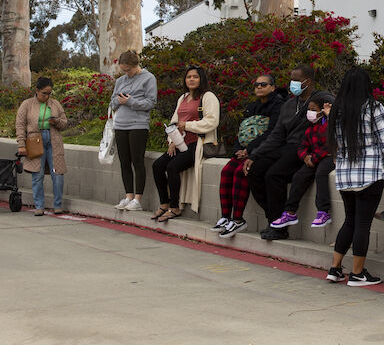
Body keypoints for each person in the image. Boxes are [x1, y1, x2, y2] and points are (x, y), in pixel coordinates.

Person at [324, 69, 384, 287]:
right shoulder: (374, 107)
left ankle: (335, 269)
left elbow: (335, 146)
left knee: (350, 220)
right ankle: (357, 274)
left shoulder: (337, 110)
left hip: (345, 176)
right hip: (370, 174)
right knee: (362, 224)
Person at [249, 64, 316, 240]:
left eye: (296, 80)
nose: (292, 83)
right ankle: (274, 217)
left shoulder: (318, 100)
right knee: (255, 170)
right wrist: (255, 154)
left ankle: (279, 227)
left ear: (307, 82)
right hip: (285, 145)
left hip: (303, 148)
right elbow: (277, 135)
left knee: (273, 175)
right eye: (291, 79)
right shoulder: (288, 105)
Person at [215, 74, 285, 237]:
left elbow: (272, 132)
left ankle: (238, 220)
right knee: (226, 172)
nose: (259, 87)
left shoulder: (278, 105)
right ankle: (226, 217)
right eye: (256, 85)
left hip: (263, 151)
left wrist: (250, 150)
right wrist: (239, 149)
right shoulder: (252, 106)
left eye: (263, 84)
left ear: (273, 87)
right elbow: (243, 130)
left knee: (241, 173)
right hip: (245, 150)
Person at [149, 66, 220, 224]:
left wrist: (187, 126)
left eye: (195, 77)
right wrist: (172, 141)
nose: (192, 79)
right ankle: (164, 204)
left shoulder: (208, 97)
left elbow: (212, 121)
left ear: (201, 79)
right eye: (189, 77)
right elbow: (174, 122)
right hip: (180, 143)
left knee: (172, 167)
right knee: (157, 166)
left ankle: (175, 208)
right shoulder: (183, 98)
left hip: (198, 144)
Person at [109, 50, 157, 213]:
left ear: (136, 65)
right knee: (124, 162)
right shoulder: (121, 80)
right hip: (120, 124)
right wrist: (118, 100)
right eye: (123, 70)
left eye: (128, 70)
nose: (126, 73)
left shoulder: (148, 78)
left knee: (137, 162)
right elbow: (113, 101)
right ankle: (128, 196)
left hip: (138, 125)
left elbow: (150, 103)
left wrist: (130, 101)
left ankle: (138, 199)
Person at [281, 91, 335, 228]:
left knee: (321, 173)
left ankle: (323, 211)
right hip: (315, 158)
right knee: (299, 176)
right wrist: (305, 156)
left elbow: (329, 145)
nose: (310, 112)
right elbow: (302, 145)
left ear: (323, 111)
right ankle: (290, 212)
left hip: (329, 158)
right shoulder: (310, 127)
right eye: (309, 109)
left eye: (313, 110)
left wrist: (314, 158)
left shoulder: (330, 125)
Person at [16, 77, 69, 216]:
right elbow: (20, 125)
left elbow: (64, 123)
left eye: (49, 93)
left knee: (57, 174)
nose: (47, 96)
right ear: (37, 91)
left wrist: (56, 121)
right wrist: (21, 144)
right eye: (44, 93)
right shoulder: (27, 104)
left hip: (54, 140)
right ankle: (39, 206)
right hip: (35, 141)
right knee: (37, 175)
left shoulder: (55, 104)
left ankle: (57, 205)